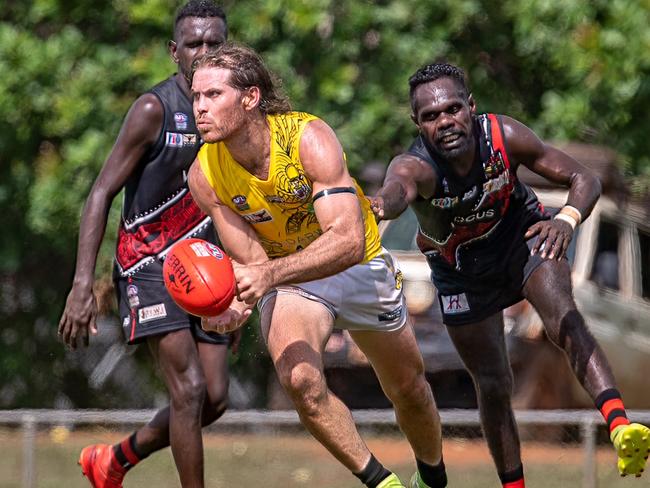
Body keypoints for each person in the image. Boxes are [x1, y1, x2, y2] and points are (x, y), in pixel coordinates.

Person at [370, 62, 650, 486]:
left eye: (453, 109)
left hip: (522, 243)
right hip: (461, 272)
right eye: (430, 116)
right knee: (494, 383)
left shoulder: (503, 135)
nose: (445, 122)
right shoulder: (417, 166)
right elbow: (396, 191)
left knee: (564, 322)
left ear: (472, 108)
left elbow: (584, 178)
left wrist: (568, 219)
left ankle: (620, 426)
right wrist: (376, 206)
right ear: (418, 123)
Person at [187, 43, 447, 488]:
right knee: (301, 382)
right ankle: (383, 484)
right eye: (195, 97)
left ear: (250, 98)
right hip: (294, 283)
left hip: (359, 266)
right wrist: (233, 306)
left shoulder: (308, 138)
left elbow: (346, 241)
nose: (199, 108)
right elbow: (252, 262)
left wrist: (267, 275)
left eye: (213, 95)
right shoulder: (203, 175)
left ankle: (432, 479)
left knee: (409, 389)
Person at [57, 2, 236, 487]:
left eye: (214, 42)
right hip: (148, 265)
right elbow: (99, 193)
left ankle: (114, 459)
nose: (204, 51)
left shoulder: (236, 110)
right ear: (173, 51)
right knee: (190, 390)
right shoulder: (154, 109)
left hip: (207, 264)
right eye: (194, 43)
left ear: (229, 48)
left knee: (216, 398)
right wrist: (82, 285)